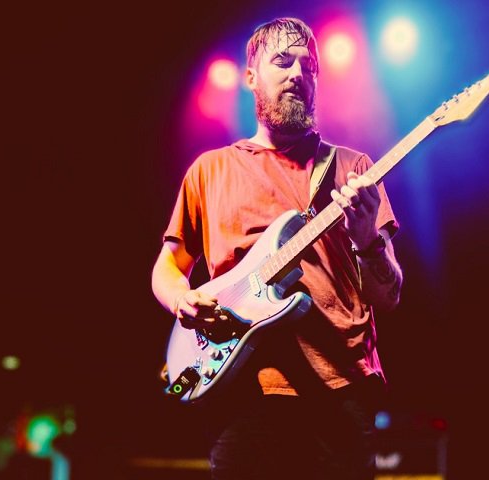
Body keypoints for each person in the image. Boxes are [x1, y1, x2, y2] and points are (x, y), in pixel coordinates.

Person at [151, 17, 403, 480]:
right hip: (243, 389)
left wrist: (367, 238)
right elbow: (168, 264)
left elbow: (388, 295)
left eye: (307, 66)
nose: (297, 74)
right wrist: (180, 298)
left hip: (341, 391)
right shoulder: (211, 170)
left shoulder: (354, 169)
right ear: (250, 77)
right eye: (282, 61)